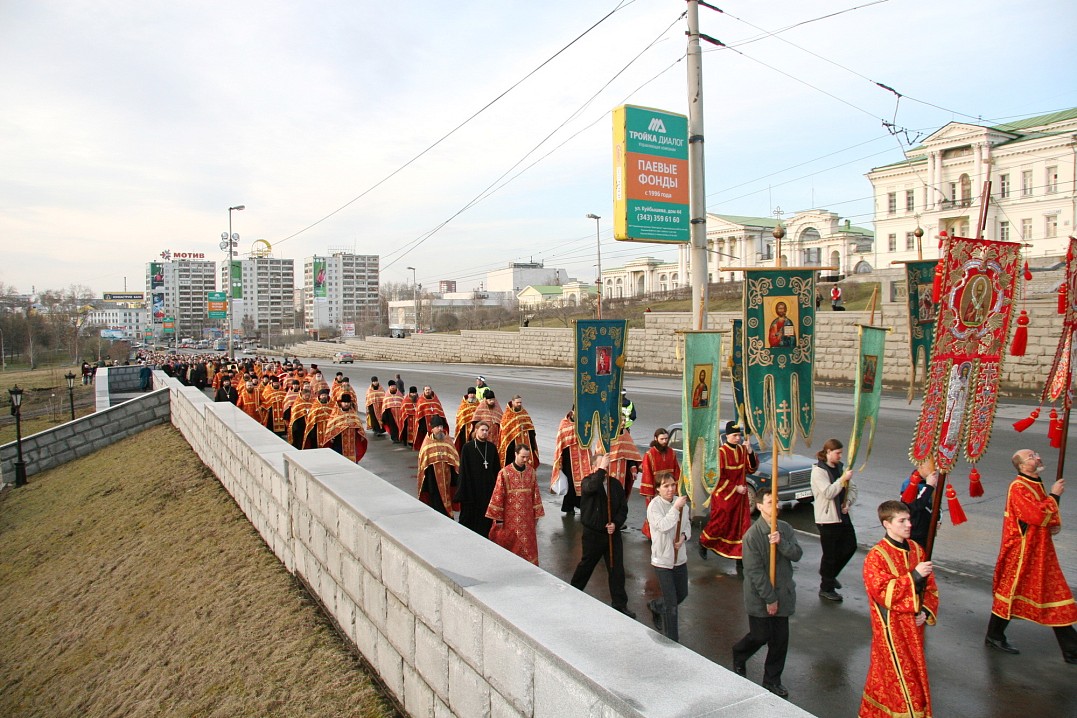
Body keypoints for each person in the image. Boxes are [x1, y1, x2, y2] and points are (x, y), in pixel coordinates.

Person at [986, 449, 1077, 663]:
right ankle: (994, 635)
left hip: (1039, 548)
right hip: (1022, 551)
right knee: (1012, 591)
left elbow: (1043, 515)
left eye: (1035, 454)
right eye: (1030, 456)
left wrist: (1052, 521)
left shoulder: (1036, 481)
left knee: (1052, 592)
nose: (1036, 457)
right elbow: (1035, 515)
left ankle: (1071, 648)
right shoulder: (1018, 486)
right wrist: (1054, 496)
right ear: (1021, 466)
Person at [860, 500, 938, 718]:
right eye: (901, 521)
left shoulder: (916, 550)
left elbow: (930, 588)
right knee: (898, 683)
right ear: (887, 524)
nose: (908, 525)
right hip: (891, 633)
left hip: (915, 630)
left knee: (915, 677)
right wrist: (914, 576)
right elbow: (883, 592)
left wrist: (924, 612)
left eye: (909, 520)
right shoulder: (876, 556)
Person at [732, 491, 803, 698]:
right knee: (760, 635)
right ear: (760, 506)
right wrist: (770, 599)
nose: (775, 505)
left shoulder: (785, 529)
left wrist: (782, 543)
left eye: (777, 501)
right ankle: (739, 653)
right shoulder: (752, 536)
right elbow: (754, 572)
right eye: (770, 502)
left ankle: (772, 680)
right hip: (760, 597)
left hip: (784, 593)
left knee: (780, 640)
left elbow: (797, 554)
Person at [569, 453, 635, 618]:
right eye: (602, 466)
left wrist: (616, 524)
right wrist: (601, 469)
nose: (606, 470)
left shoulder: (615, 484)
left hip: (612, 534)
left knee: (616, 569)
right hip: (593, 535)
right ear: (594, 468)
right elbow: (591, 488)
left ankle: (620, 604)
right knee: (586, 565)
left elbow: (623, 508)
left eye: (607, 466)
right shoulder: (588, 482)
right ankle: (572, 592)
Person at [699, 421, 759, 568]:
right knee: (721, 524)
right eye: (735, 435)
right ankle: (704, 542)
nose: (738, 438)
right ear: (727, 436)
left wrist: (750, 451)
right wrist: (734, 488)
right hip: (725, 497)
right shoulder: (721, 453)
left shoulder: (742, 450)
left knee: (743, 527)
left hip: (740, 499)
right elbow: (716, 478)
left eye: (739, 435)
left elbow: (751, 469)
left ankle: (740, 557)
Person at [811, 438, 858, 602]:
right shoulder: (818, 471)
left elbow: (852, 488)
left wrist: (848, 503)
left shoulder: (840, 467)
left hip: (842, 515)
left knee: (851, 546)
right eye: (837, 453)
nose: (840, 456)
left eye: (841, 453)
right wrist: (842, 479)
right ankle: (826, 587)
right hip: (827, 518)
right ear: (828, 452)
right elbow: (828, 492)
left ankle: (829, 574)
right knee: (830, 554)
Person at [647, 472, 690, 641]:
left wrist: (683, 537)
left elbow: (687, 525)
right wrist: (675, 508)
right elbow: (663, 526)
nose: (671, 489)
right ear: (658, 489)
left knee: (682, 594)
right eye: (666, 486)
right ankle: (672, 640)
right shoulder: (654, 506)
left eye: (673, 485)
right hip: (662, 560)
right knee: (672, 604)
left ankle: (656, 605)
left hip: (679, 558)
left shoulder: (682, 504)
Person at [486, 445, 544, 564]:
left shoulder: (531, 472)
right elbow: (498, 495)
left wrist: (536, 514)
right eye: (523, 457)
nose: (525, 460)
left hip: (527, 520)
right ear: (516, 454)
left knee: (528, 546)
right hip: (510, 519)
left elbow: (536, 494)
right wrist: (498, 519)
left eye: (527, 457)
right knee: (511, 546)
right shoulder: (504, 473)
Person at [455, 420, 500, 536]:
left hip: (487, 490)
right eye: (482, 430)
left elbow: (496, 470)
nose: (485, 433)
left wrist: (497, 490)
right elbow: (463, 471)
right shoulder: (468, 447)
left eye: (487, 431)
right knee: (469, 519)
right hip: (472, 490)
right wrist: (464, 492)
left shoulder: (491, 448)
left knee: (485, 521)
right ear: (476, 431)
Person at [639, 427, 681, 539]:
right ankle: (652, 534)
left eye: (666, 439)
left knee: (670, 511)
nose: (664, 441)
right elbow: (647, 473)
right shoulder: (649, 454)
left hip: (669, 488)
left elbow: (676, 470)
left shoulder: (671, 453)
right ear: (656, 438)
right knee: (655, 513)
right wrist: (649, 492)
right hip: (655, 490)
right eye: (662, 439)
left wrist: (677, 488)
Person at [550, 408, 592, 516]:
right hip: (568, 458)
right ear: (572, 412)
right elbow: (560, 442)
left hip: (582, 457)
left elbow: (588, 438)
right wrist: (559, 462)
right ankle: (569, 508)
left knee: (584, 482)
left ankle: (583, 506)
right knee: (571, 484)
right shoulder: (564, 424)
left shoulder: (584, 423)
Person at [416, 416, 459, 516]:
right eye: (437, 427)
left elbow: (455, 460)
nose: (440, 429)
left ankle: (448, 515)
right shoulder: (427, 444)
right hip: (432, 480)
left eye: (441, 426)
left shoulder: (448, 441)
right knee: (435, 500)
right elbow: (423, 464)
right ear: (432, 428)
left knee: (447, 496)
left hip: (447, 478)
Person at [900, 461, 939, 547]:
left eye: (936, 465)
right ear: (921, 465)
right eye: (932, 464)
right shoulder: (910, 483)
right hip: (914, 531)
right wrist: (929, 487)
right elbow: (916, 506)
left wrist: (938, 518)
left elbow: (935, 503)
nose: (935, 468)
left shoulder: (929, 482)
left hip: (926, 529)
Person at [321, 393, 368, 464]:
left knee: (352, 463)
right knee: (339, 462)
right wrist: (331, 436)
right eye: (344, 402)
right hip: (338, 442)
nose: (346, 404)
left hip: (352, 442)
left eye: (348, 402)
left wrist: (360, 434)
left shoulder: (353, 414)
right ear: (341, 403)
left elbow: (359, 427)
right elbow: (330, 427)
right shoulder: (336, 414)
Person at [499, 394, 539, 467]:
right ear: (513, 402)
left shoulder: (524, 413)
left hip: (526, 442)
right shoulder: (507, 415)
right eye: (517, 402)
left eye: (520, 402)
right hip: (512, 445)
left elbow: (530, 428)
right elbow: (505, 433)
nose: (519, 404)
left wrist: (533, 445)